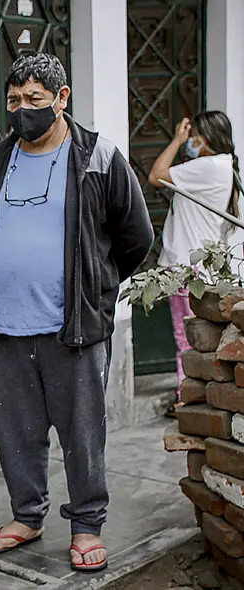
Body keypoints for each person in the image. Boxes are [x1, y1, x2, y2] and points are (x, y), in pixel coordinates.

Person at [0, 53, 153, 572]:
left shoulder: (99, 157)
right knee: (16, 432)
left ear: (62, 98)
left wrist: (97, 283)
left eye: (35, 100)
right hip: (7, 325)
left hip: (75, 327)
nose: (23, 110)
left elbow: (136, 236)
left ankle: (87, 524)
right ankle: (27, 515)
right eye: (14, 101)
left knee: (82, 432)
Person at [148, 111, 242, 412]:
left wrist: (176, 141)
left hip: (187, 267)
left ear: (207, 139)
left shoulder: (206, 166)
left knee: (185, 334)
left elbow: (156, 174)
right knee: (201, 334)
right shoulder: (224, 166)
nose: (190, 141)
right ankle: (200, 395)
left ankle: (186, 398)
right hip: (204, 267)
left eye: (193, 136)